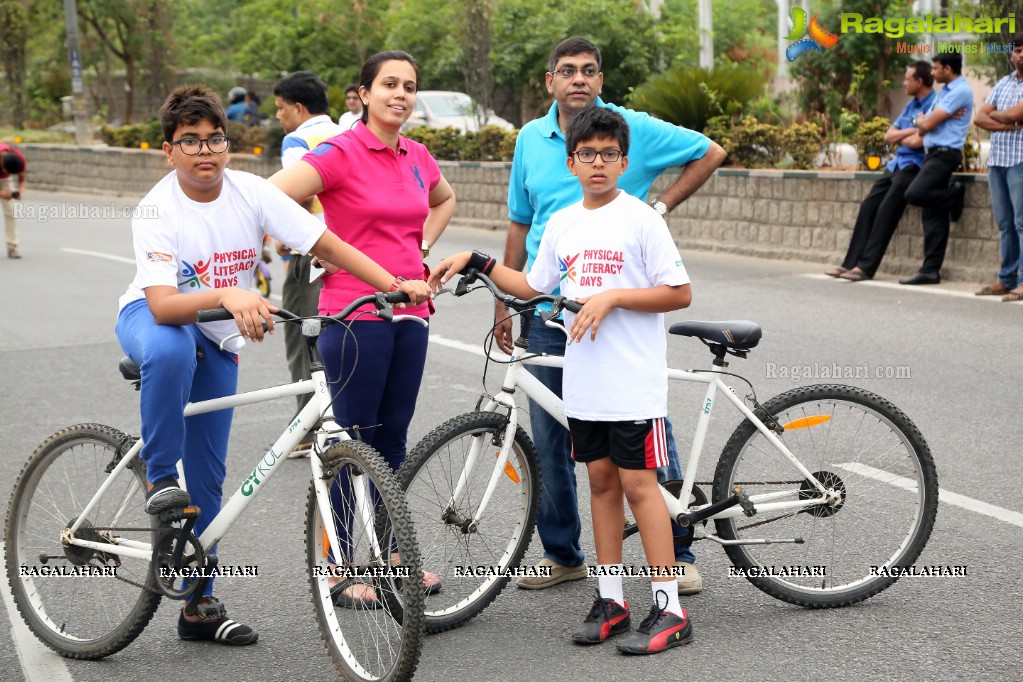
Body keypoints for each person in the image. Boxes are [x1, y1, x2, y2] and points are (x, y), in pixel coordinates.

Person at [115, 84, 430, 643]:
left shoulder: (251, 192)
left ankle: (198, 606)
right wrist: (230, 296)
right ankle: (161, 479)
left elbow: (326, 244)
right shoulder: (157, 208)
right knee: (171, 349)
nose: (205, 152)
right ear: (168, 152)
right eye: (190, 142)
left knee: (211, 483)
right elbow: (164, 304)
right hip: (155, 314)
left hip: (216, 334)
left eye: (215, 140)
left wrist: (392, 284)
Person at [431, 107, 694, 654]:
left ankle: (670, 608)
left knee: (640, 487)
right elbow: (531, 286)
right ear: (571, 162)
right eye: (587, 155)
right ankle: (612, 599)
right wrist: (475, 260)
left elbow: (678, 292)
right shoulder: (563, 223)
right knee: (599, 482)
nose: (598, 163)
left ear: (624, 161)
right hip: (586, 381)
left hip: (633, 382)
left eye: (609, 154)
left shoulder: (642, 219)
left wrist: (615, 295)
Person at [498, 36, 725, 594]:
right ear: (549, 80)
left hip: (620, 319)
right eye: (567, 71)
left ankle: (675, 553)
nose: (578, 79)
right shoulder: (530, 139)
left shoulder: (631, 127)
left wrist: (661, 206)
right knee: (555, 434)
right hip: (550, 310)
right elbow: (521, 225)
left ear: (601, 80)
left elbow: (711, 151)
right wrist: (505, 300)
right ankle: (564, 555)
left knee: (646, 434)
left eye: (590, 71)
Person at [270, 50, 455, 605]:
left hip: (411, 314)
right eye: (389, 84)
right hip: (354, 314)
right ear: (364, 94)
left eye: (409, 86)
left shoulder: (418, 156)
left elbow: (443, 200)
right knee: (353, 443)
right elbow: (273, 194)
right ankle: (338, 564)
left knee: (394, 439)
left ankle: (393, 556)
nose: (400, 94)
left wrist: (421, 249)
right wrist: (313, 244)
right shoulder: (342, 151)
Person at [272, 70, 343, 456]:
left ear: (298, 108)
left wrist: (283, 237)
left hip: (312, 252)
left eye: (281, 109)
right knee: (338, 337)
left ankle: (308, 427)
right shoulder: (348, 134)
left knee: (304, 339)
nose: (279, 117)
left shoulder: (298, 139)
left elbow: (295, 195)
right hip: (349, 253)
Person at [826, 62, 935, 282]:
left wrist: (905, 135)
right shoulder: (910, 105)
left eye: (907, 79)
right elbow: (888, 135)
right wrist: (911, 130)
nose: (904, 83)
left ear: (919, 81)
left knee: (887, 209)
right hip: (897, 164)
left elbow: (916, 143)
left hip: (915, 166)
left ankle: (866, 267)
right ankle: (850, 263)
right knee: (868, 206)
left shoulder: (935, 104)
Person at [898, 52, 973, 285]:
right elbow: (922, 127)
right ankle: (931, 269)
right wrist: (924, 121)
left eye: (936, 68)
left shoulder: (960, 91)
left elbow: (927, 123)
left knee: (914, 193)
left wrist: (926, 121)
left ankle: (953, 194)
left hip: (944, 156)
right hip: (933, 155)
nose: (932, 72)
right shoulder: (945, 93)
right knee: (933, 216)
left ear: (948, 69)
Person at [973, 38, 1023, 302]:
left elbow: (1016, 113)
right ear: (1011, 56)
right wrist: (1008, 122)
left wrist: (1002, 116)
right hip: (998, 161)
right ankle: (1006, 279)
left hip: (1020, 160)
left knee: (1022, 223)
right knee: (1005, 224)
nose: (1021, 55)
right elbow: (979, 117)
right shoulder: (1003, 83)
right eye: (1017, 50)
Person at [0, 142, 26, 259]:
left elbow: (22, 179)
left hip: (5, 182)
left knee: (11, 211)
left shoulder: (19, 158)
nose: (7, 173)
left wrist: (20, 192)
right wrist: (1, 194)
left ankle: (12, 247)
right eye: (6, 170)